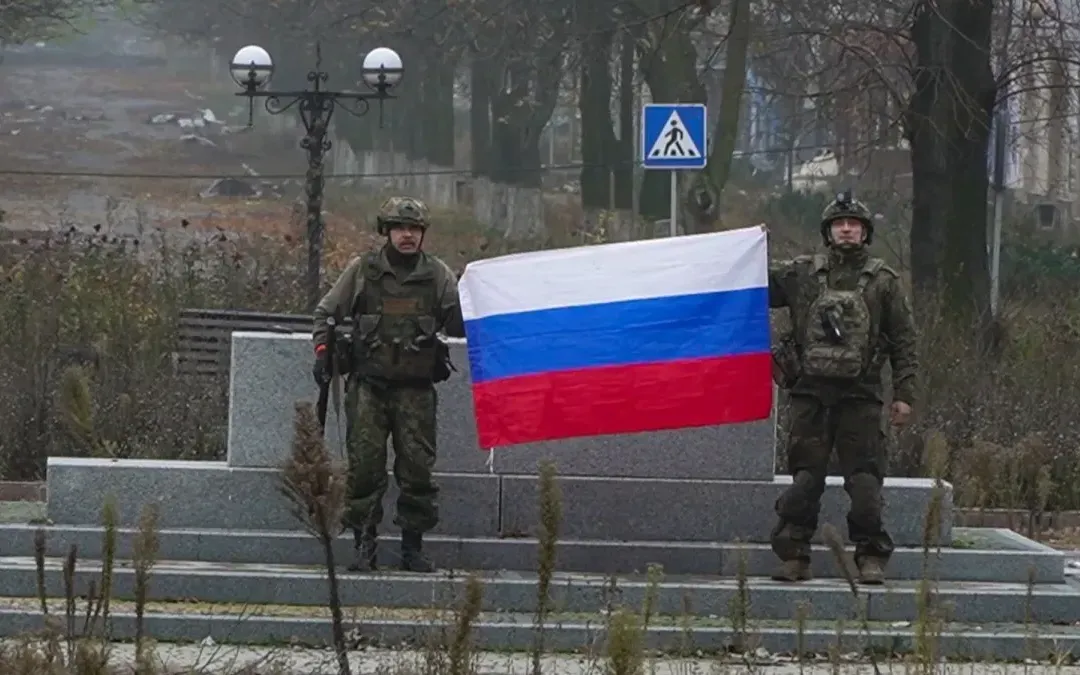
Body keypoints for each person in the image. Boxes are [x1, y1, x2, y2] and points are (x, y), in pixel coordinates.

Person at [766, 191, 919, 585]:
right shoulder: (799, 274)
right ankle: (794, 556)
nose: (847, 229)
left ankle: (870, 556)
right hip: (810, 396)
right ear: (827, 231)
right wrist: (751, 247)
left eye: (854, 224)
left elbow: (904, 340)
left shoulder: (884, 281)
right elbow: (754, 288)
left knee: (866, 483)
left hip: (861, 397)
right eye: (839, 224)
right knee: (804, 481)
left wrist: (905, 394)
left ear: (865, 232)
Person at [312, 196, 465, 573]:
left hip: (415, 390)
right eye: (400, 228)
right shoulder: (364, 270)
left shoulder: (437, 275)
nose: (408, 236)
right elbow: (327, 312)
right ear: (387, 232)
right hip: (369, 388)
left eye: (414, 229)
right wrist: (322, 352)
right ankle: (365, 543)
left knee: (417, 470)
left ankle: (413, 547)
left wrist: (477, 301)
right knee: (365, 468)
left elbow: (458, 325)